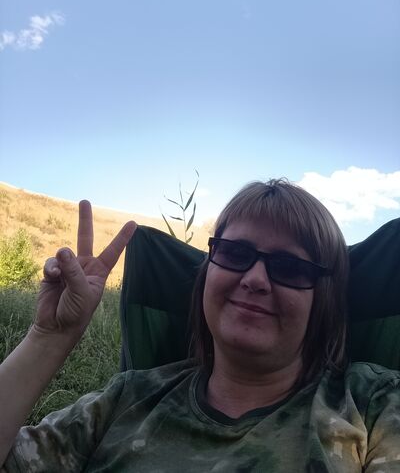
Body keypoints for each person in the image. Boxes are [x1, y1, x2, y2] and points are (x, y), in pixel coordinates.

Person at [1, 180, 400, 472]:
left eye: (289, 267)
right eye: (235, 253)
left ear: (324, 299)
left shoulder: (373, 406)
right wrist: (49, 337)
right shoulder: (125, 400)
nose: (255, 279)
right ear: (206, 274)